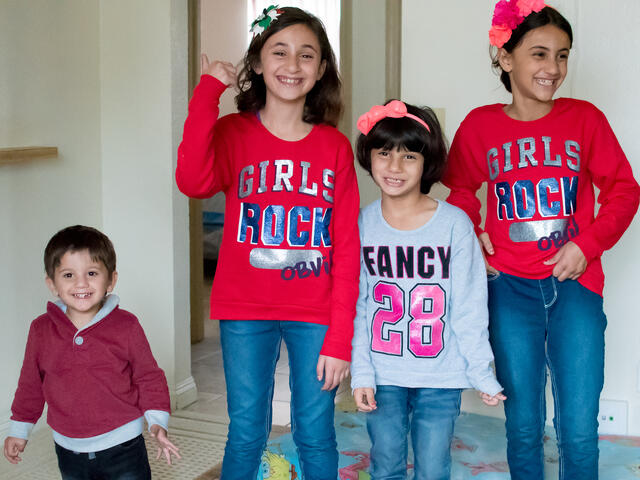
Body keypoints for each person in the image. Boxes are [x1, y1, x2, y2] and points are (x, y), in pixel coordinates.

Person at [442, 2, 640, 479]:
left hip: (576, 286)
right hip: (509, 289)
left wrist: (585, 245)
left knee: (577, 427)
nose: (553, 68)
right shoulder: (480, 126)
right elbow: (461, 191)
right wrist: (475, 233)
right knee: (524, 423)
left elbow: (624, 189)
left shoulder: (585, 119)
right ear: (506, 58)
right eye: (539, 54)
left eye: (563, 55)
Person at [175, 6, 360, 480]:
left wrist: (341, 338)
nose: (292, 65)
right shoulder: (234, 132)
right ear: (257, 62)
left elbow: (347, 246)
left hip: (316, 313)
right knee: (246, 431)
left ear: (320, 71)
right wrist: (207, 93)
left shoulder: (333, 147)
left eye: (306, 55)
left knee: (316, 429)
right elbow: (192, 180)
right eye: (279, 52)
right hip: (243, 310)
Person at [351, 100, 505, 480]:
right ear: (369, 158)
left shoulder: (454, 226)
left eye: (409, 156)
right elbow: (359, 306)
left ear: (427, 163)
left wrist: (481, 372)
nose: (394, 166)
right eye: (384, 153)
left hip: (441, 374)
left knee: (433, 469)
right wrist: (362, 373)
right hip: (383, 373)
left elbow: (469, 305)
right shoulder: (361, 225)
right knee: (384, 464)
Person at [3, 225, 180, 479]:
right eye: (68, 275)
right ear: (51, 284)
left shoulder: (126, 325)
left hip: (124, 444)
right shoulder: (41, 329)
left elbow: (148, 376)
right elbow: (31, 384)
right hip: (68, 449)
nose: (81, 283)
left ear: (111, 280)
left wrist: (157, 421)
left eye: (92, 273)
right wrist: (19, 430)